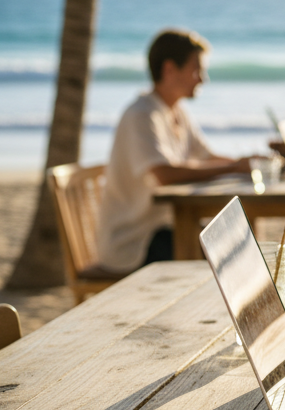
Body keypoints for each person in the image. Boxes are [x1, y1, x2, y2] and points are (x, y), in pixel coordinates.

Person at [98, 29, 259, 273]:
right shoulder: (141, 114)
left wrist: (246, 164)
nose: (202, 79)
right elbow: (164, 174)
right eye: (196, 69)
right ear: (170, 69)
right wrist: (234, 168)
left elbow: (207, 156)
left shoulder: (176, 111)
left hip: (166, 229)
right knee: (227, 253)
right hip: (135, 242)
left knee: (237, 239)